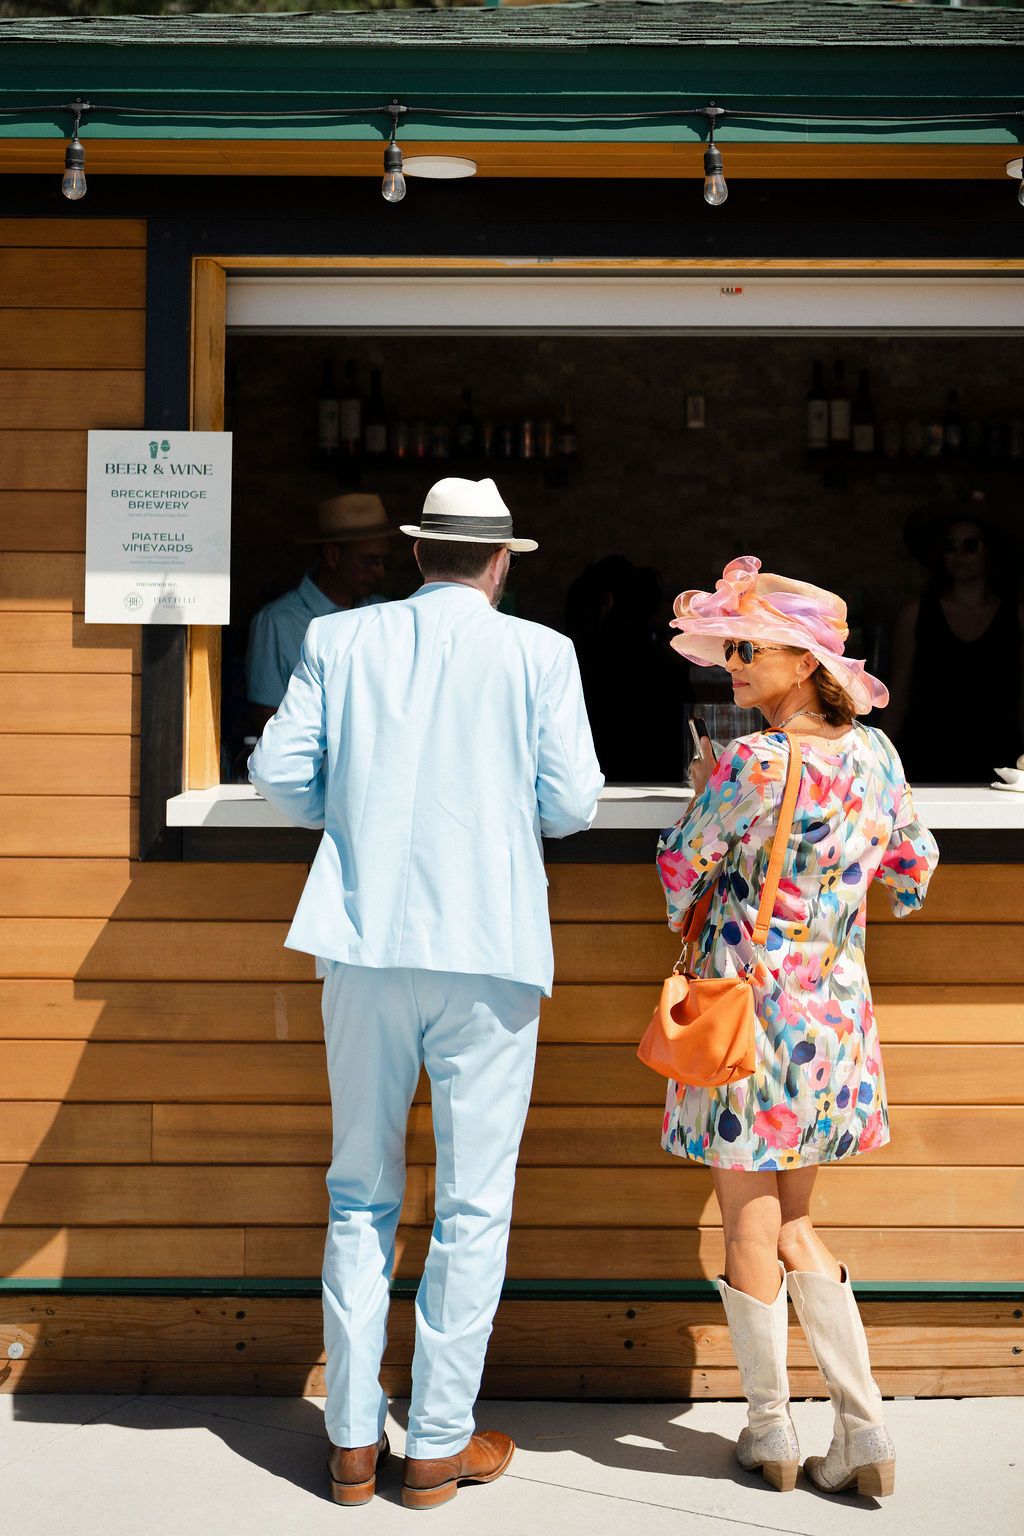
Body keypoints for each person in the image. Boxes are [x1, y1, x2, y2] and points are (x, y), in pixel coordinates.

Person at [248, 476, 603, 1510]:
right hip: (490, 948)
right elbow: (573, 803)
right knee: (473, 1202)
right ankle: (437, 1446)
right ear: (498, 563)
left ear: (414, 554)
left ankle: (352, 1444)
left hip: (363, 941)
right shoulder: (540, 652)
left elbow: (279, 774)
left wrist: (354, 805)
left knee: (358, 1191)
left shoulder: (339, 638)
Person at [656, 555, 938, 1498]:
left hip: (748, 1013)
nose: (732, 664)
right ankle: (863, 1433)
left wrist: (705, 788)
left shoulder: (751, 761)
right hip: (835, 1015)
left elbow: (679, 872)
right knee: (799, 1222)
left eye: (750, 650)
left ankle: (770, 1430)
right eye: (731, 648)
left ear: (807, 661)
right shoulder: (878, 754)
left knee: (750, 1219)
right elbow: (913, 871)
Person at [886, 493, 1024, 782]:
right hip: (926, 756)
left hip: (1000, 759)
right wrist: (880, 759)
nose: (959, 554)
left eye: (970, 544)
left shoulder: (1016, 615)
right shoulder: (916, 613)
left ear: (990, 550)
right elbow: (897, 694)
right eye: (950, 546)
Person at [245, 491, 396, 728]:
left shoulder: (386, 613)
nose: (380, 572)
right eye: (370, 561)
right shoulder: (277, 622)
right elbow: (266, 720)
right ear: (333, 555)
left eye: (385, 561)